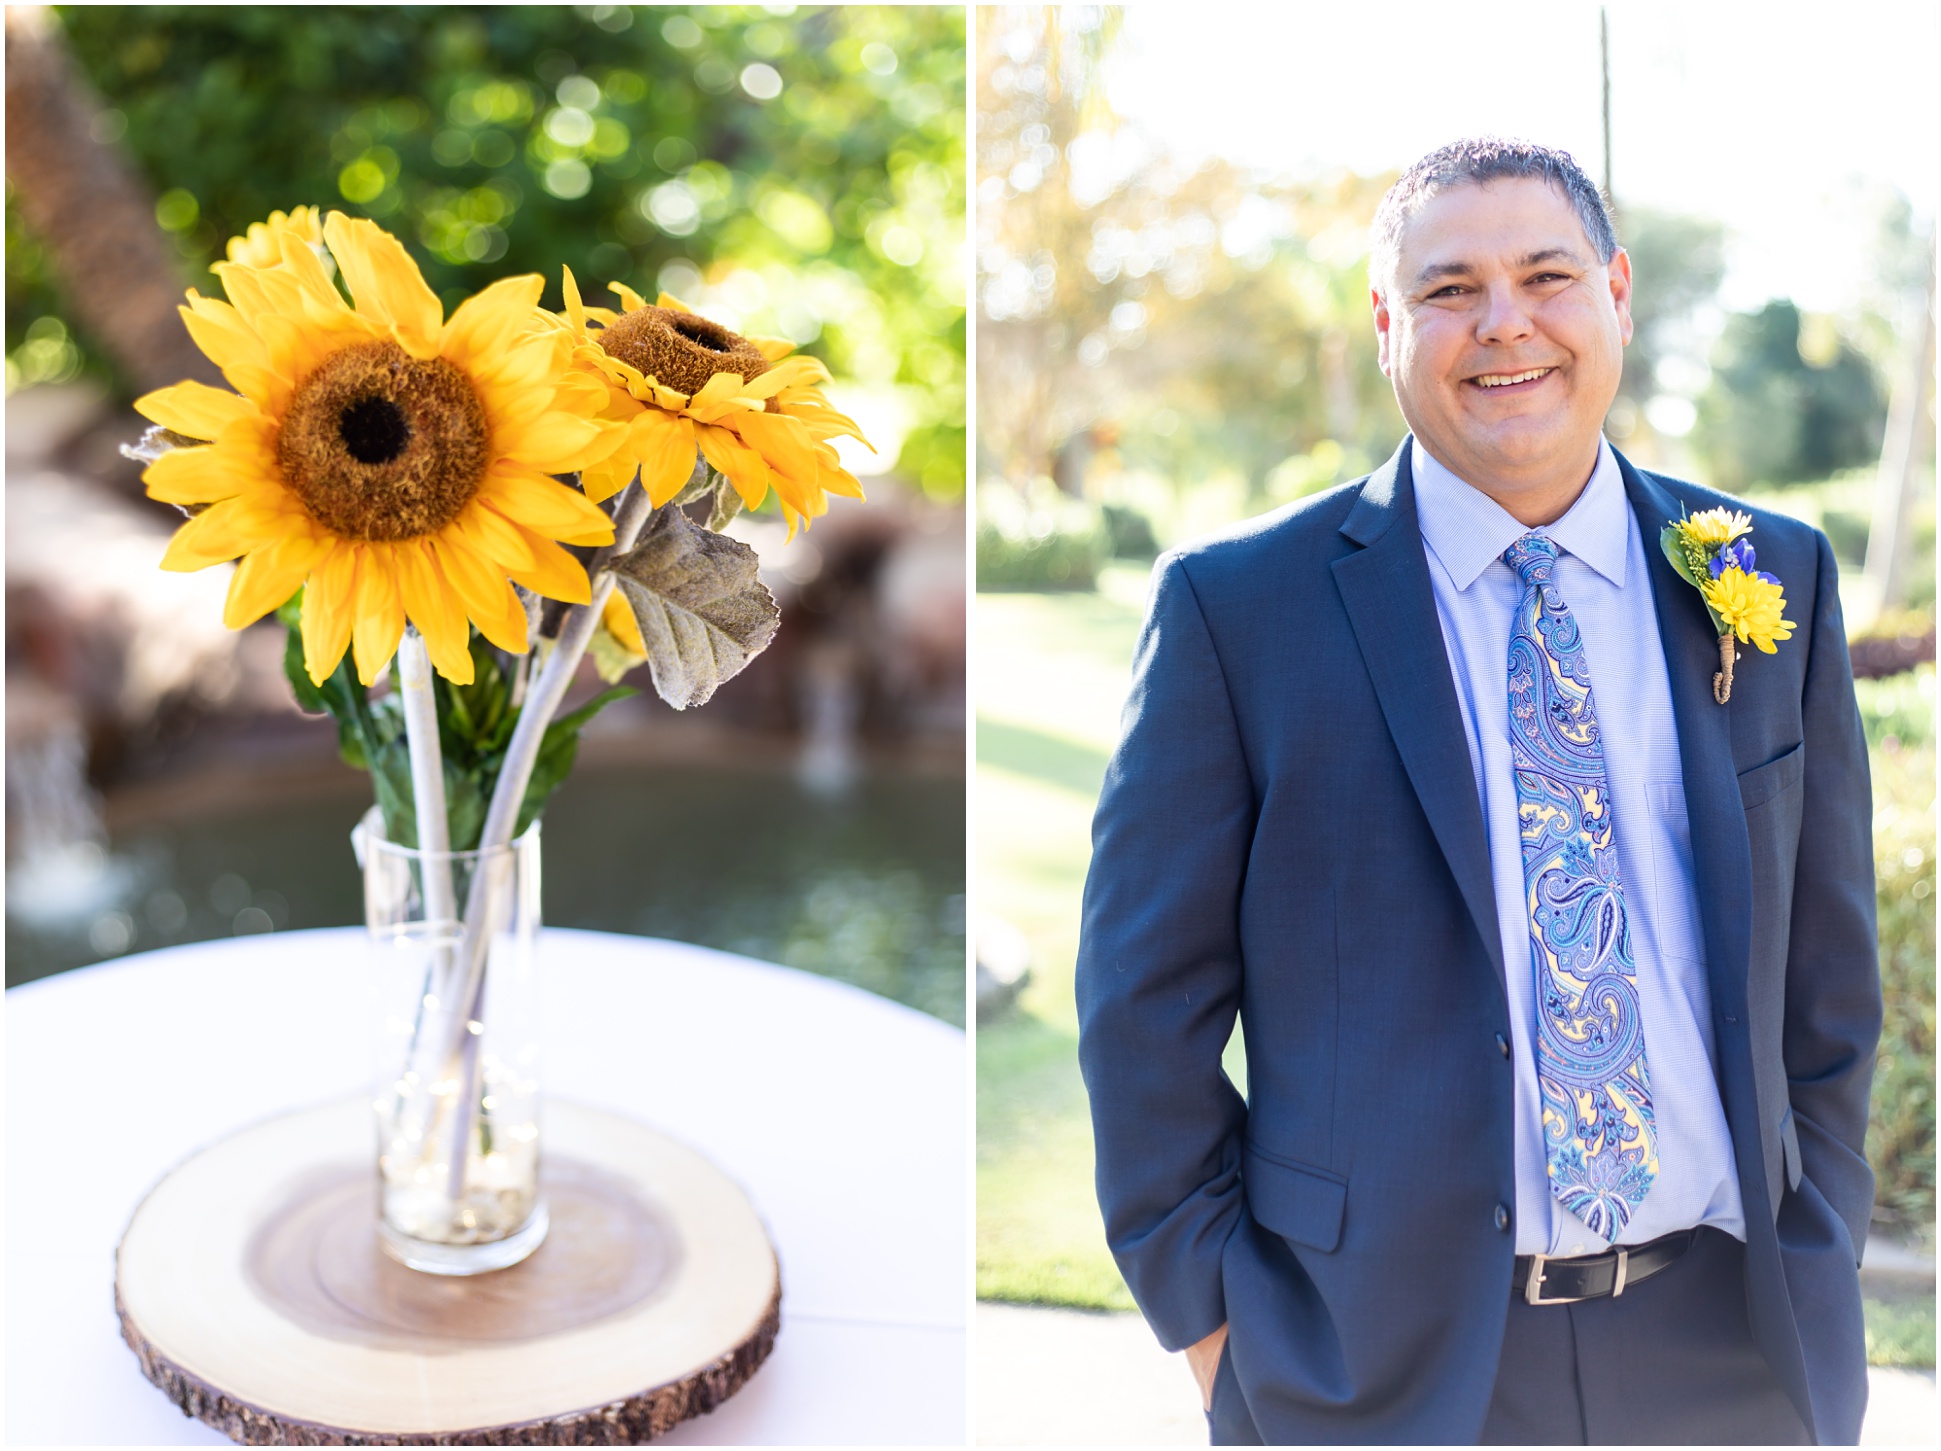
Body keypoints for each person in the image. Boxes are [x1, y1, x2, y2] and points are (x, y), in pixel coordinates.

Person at [1075, 138, 1879, 1445]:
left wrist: (1819, 1232)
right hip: (1371, 1367)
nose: (1503, 325)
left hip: (1733, 1349)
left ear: (1615, 294)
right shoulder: (1238, 613)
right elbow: (1139, 1011)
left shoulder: (1766, 576)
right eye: (1448, 290)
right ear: (1388, 324)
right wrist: (1218, 1334)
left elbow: (1829, 981)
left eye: (1544, 276)